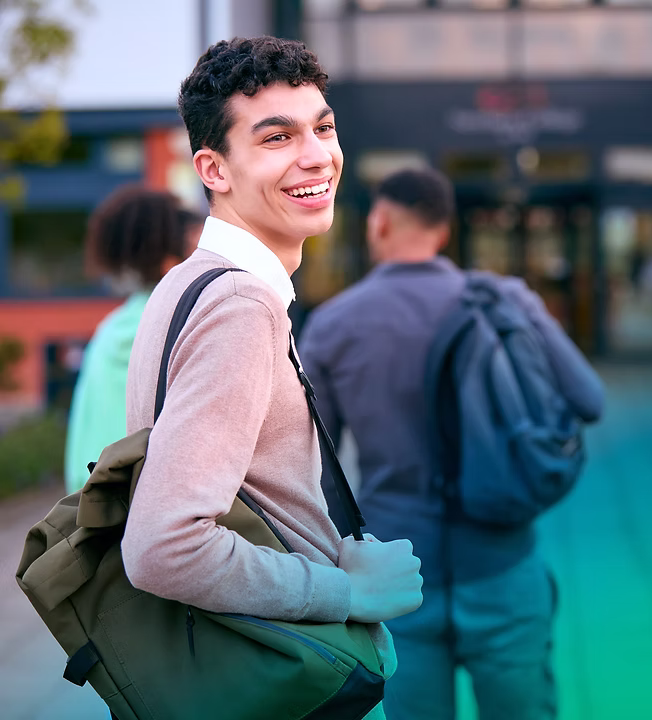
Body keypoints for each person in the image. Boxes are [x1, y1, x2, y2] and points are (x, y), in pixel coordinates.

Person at [121, 37, 423, 719]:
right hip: (287, 684)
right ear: (214, 170)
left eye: (323, 127)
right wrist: (348, 594)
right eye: (277, 137)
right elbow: (163, 546)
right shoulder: (239, 306)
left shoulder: (189, 284)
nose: (316, 155)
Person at [299, 168, 605, 720]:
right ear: (443, 231)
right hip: (504, 562)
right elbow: (589, 399)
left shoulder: (335, 323)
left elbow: (314, 467)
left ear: (380, 223)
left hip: (398, 578)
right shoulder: (505, 300)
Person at [64, 185, 203, 494]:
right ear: (170, 261)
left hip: (91, 508)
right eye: (198, 241)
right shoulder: (177, 324)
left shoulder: (114, 327)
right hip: (138, 512)